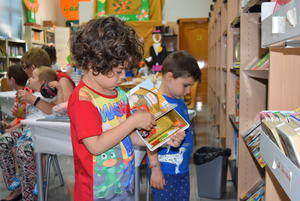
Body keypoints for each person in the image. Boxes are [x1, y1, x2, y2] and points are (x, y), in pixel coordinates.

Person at [68, 16, 185, 201]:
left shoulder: (120, 94)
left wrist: (163, 139)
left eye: (126, 70)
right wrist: (133, 121)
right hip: (95, 192)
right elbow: (96, 146)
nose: (123, 77)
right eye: (117, 72)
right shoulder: (83, 99)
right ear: (93, 64)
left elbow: (128, 137)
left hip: (124, 186)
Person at [146, 50, 201, 201]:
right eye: (186, 85)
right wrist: (155, 169)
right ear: (169, 77)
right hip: (163, 172)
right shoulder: (156, 104)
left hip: (181, 169)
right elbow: (149, 141)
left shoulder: (179, 100)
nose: (188, 91)